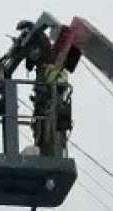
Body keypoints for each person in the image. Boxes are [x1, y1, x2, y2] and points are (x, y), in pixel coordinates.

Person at [22, 25, 72, 157]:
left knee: (47, 134)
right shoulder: (50, 60)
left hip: (50, 105)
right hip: (46, 105)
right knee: (41, 130)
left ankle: (49, 153)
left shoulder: (52, 62)